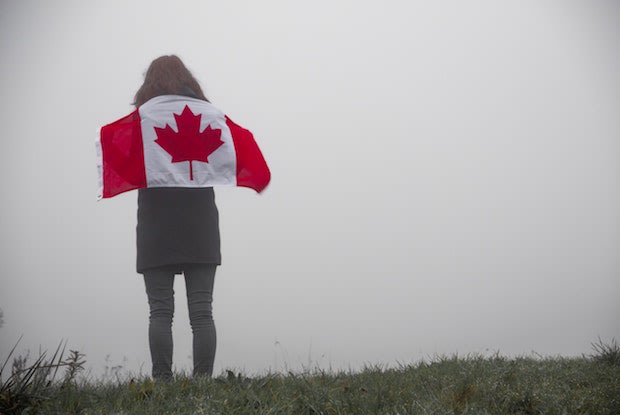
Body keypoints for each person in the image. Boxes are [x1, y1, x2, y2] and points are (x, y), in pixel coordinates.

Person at [133, 55, 221, 379]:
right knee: (202, 312)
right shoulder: (209, 116)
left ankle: (163, 383)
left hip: (156, 224)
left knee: (159, 312)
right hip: (200, 223)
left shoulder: (140, 120)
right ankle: (202, 385)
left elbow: (123, 162)